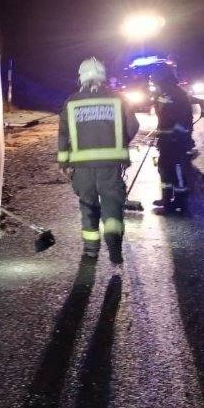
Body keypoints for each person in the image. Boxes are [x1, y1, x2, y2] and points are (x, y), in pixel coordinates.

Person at [57, 58, 139, 263]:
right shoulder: (119, 99)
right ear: (103, 77)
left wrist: (64, 163)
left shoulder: (71, 102)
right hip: (111, 167)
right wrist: (120, 144)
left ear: (81, 77)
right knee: (112, 206)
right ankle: (114, 244)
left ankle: (91, 249)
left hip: (81, 168)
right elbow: (133, 126)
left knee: (88, 207)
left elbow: (63, 135)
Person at [152, 67, 196, 214]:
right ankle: (166, 200)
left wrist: (172, 134)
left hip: (177, 142)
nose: (154, 84)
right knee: (164, 170)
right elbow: (163, 116)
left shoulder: (177, 95)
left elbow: (182, 120)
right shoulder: (164, 94)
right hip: (166, 141)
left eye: (156, 81)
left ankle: (180, 202)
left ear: (163, 80)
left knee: (177, 172)